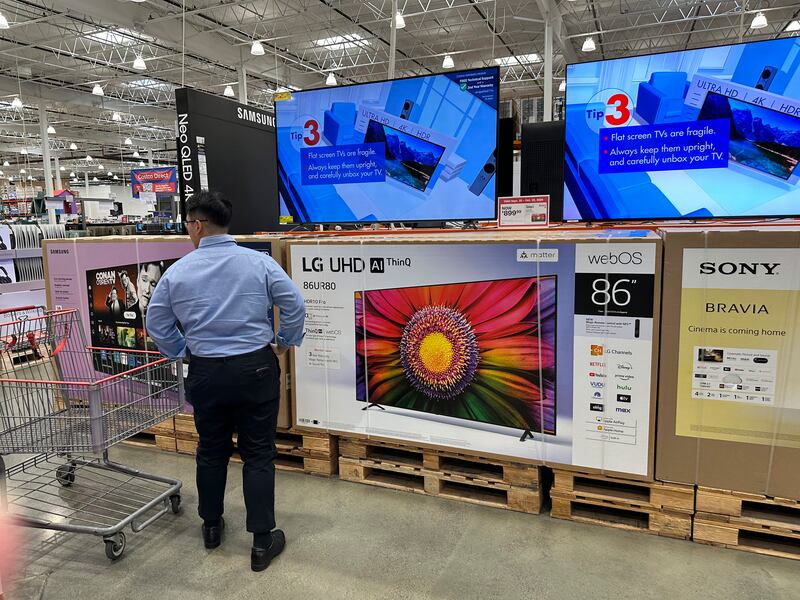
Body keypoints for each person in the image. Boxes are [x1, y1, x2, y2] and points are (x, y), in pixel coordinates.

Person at [146, 190, 305, 572]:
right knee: (259, 453)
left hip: (207, 371)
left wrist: (183, 350)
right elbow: (295, 304)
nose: (188, 231)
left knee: (212, 449)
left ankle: (211, 527)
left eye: (187, 224)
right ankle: (262, 542)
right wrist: (284, 342)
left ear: (198, 225)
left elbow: (156, 323)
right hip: (255, 368)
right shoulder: (258, 263)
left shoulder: (177, 272)